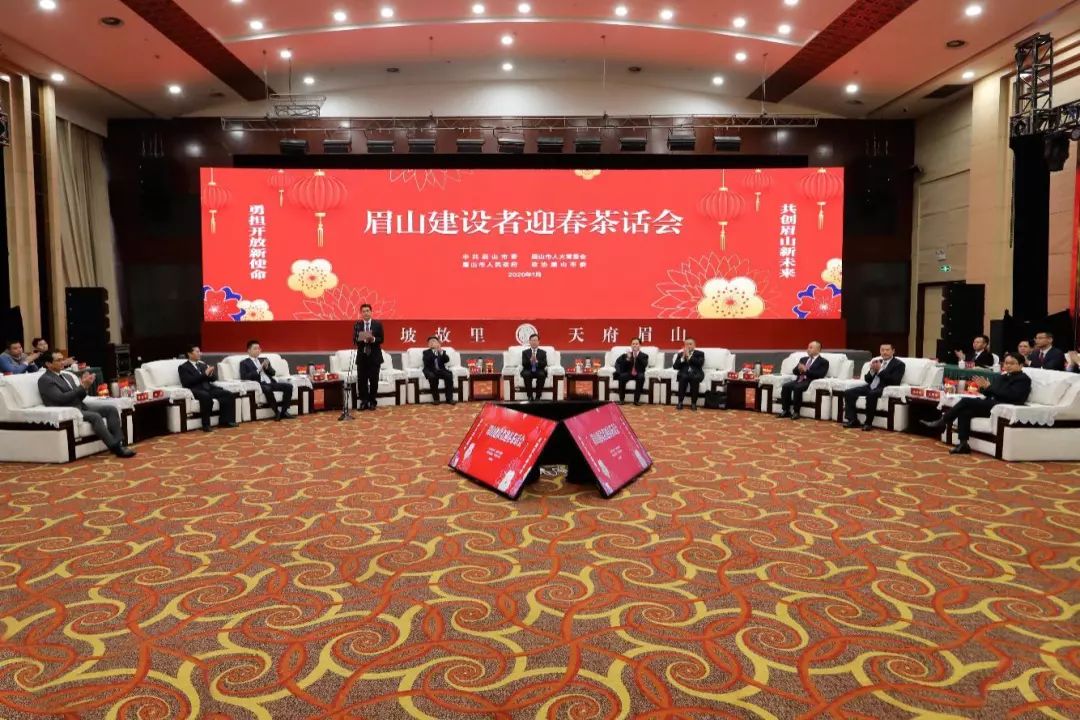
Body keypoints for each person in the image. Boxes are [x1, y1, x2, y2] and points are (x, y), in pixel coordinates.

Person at [921, 352, 1031, 454]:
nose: (1008, 366)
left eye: (1012, 363)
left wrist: (990, 387)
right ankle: (963, 444)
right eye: (1006, 363)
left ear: (1021, 365)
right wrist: (984, 387)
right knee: (965, 411)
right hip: (992, 403)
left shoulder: (1023, 379)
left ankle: (943, 421)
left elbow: (1012, 396)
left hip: (1004, 405)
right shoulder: (1002, 377)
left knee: (965, 401)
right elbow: (989, 392)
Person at [38, 350, 134, 458]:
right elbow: (61, 399)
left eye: (63, 359)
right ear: (48, 364)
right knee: (95, 416)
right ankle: (115, 448)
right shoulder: (45, 380)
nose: (62, 362)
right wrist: (82, 387)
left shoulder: (67, 376)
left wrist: (86, 387)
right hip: (68, 411)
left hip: (80, 406)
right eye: (58, 360)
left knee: (111, 409)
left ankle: (119, 443)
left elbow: (79, 396)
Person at [842, 343, 906, 431]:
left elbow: (895, 381)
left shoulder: (899, 364)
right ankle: (852, 420)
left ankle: (868, 423)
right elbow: (867, 379)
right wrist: (872, 370)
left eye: (887, 350)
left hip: (884, 388)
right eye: (882, 350)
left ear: (893, 351)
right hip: (871, 386)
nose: (885, 352)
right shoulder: (877, 361)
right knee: (849, 392)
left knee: (871, 394)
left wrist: (880, 370)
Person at [177, 344, 238, 432]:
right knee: (206, 397)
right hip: (196, 389)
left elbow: (214, 379)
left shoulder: (202, 365)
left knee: (228, 394)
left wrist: (211, 374)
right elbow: (187, 382)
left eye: (200, 351)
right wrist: (204, 374)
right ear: (189, 354)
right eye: (197, 352)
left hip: (208, 387)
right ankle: (206, 425)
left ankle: (226, 421)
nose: (200, 353)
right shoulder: (183, 367)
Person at [239, 340, 294, 420]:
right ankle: (277, 412)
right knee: (267, 389)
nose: (258, 350)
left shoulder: (264, 359)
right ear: (249, 350)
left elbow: (273, 373)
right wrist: (259, 369)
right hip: (260, 384)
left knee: (288, 386)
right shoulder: (244, 363)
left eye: (259, 348)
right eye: (255, 348)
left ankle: (284, 412)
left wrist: (267, 367)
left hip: (271, 382)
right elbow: (244, 377)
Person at [779, 341, 830, 419]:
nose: (808, 349)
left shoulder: (823, 362)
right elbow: (794, 371)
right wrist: (799, 370)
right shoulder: (803, 359)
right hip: (799, 380)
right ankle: (786, 410)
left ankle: (796, 412)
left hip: (810, 381)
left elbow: (820, 375)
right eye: (808, 347)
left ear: (818, 349)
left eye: (811, 347)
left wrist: (806, 371)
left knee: (797, 388)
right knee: (786, 386)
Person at [353, 303, 384, 411]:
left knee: (374, 381)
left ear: (371, 312)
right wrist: (363, 339)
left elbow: (381, 339)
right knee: (362, 381)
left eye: (367, 311)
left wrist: (373, 339)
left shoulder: (377, 324)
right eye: (363, 311)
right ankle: (364, 401)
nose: (365, 313)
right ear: (361, 313)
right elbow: (354, 340)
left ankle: (372, 402)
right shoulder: (358, 325)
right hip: (362, 357)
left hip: (374, 357)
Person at [673, 337, 705, 411]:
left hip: (696, 373)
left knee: (694, 378)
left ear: (694, 345)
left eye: (690, 344)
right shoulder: (681, 354)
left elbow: (700, 363)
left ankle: (693, 403)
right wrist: (682, 358)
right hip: (684, 373)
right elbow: (675, 366)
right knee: (683, 377)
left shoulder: (700, 353)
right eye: (686, 344)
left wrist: (689, 356)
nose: (688, 346)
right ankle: (680, 402)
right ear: (684, 346)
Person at [614, 337, 649, 405]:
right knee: (621, 377)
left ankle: (636, 401)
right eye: (633, 344)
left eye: (636, 344)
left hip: (639, 373)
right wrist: (627, 359)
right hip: (629, 373)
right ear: (631, 345)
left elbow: (644, 365)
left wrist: (636, 355)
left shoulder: (644, 355)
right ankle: (621, 400)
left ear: (640, 345)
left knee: (641, 377)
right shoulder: (627, 355)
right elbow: (618, 363)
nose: (634, 345)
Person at [422, 335, 456, 405]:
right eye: (430, 342)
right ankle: (436, 399)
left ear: (438, 343)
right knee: (432, 377)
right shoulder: (426, 352)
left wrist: (440, 351)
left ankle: (449, 399)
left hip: (440, 370)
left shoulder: (442, 351)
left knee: (449, 375)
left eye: (433, 341)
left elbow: (446, 360)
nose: (432, 343)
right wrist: (434, 352)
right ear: (428, 345)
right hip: (430, 370)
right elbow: (427, 361)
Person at [520, 334, 547, 401]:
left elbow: (544, 364)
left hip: (539, 369)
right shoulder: (525, 352)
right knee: (526, 374)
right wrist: (530, 361)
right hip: (528, 369)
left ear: (538, 342)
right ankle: (530, 396)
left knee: (542, 375)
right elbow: (524, 364)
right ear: (529, 341)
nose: (534, 342)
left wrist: (537, 362)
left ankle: (538, 396)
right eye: (532, 340)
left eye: (535, 340)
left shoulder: (543, 352)